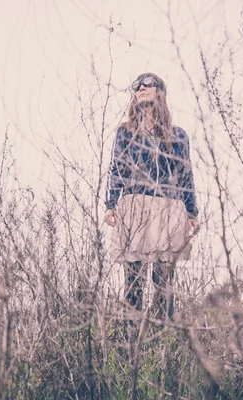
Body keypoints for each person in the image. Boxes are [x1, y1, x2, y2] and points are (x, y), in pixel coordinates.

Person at [104, 72, 199, 322]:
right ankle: (131, 344)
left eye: (148, 83)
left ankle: (162, 344)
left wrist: (192, 212)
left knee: (164, 284)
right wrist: (110, 204)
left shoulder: (178, 136)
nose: (141, 87)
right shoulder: (125, 133)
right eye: (136, 85)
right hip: (135, 207)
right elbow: (116, 169)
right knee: (134, 282)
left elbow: (186, 175)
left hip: (169, 209)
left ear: (160, 92)